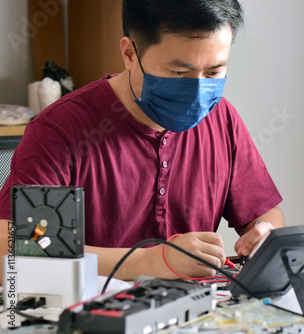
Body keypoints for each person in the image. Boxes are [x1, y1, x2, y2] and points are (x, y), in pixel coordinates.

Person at [0, 0, 284, 281]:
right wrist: (147, 261)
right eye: (179, 73)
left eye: (213, 72)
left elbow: (264, 215)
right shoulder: (61, 130)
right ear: (129, 54)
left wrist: (262, 234)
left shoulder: (222, 119)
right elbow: (12, 252)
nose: (197, 91)